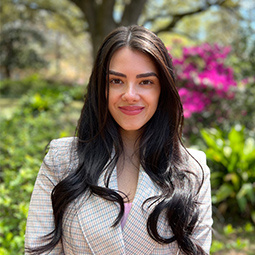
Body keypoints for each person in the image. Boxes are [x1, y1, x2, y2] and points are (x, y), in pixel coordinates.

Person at [25, 25, 213, 255]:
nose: (130, 95)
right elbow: (39, 250)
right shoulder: (61, 160)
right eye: (116, 81)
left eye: (146, 82)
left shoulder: (193, 170)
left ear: (162, 90)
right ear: (101, 88)